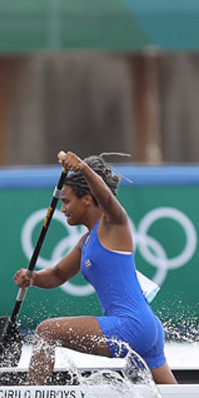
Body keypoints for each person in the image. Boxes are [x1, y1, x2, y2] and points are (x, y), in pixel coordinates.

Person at [14, 151, 177, 385]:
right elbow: (58, 275)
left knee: (46, 332)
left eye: (67, 201)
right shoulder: (87, 241)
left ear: (88, 199)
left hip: (130, 325)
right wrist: (33, 277)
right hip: (147, 327)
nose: (63, 209)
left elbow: (108, 201)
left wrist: (83, 168)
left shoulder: (114, 224)